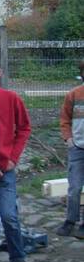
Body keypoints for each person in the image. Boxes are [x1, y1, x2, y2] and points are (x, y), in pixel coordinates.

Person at [0, 62, 31, 262]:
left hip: (5, 168)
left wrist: (12, 159)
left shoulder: (11, 98)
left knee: (9, 216)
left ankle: (18, 258)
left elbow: (24, 128)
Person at [55, 60, 84, 239]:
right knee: (74, 187)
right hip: (77, 148)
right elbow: (65, 119)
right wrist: (69, 139)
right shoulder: (73, 95)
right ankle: (70, 220)